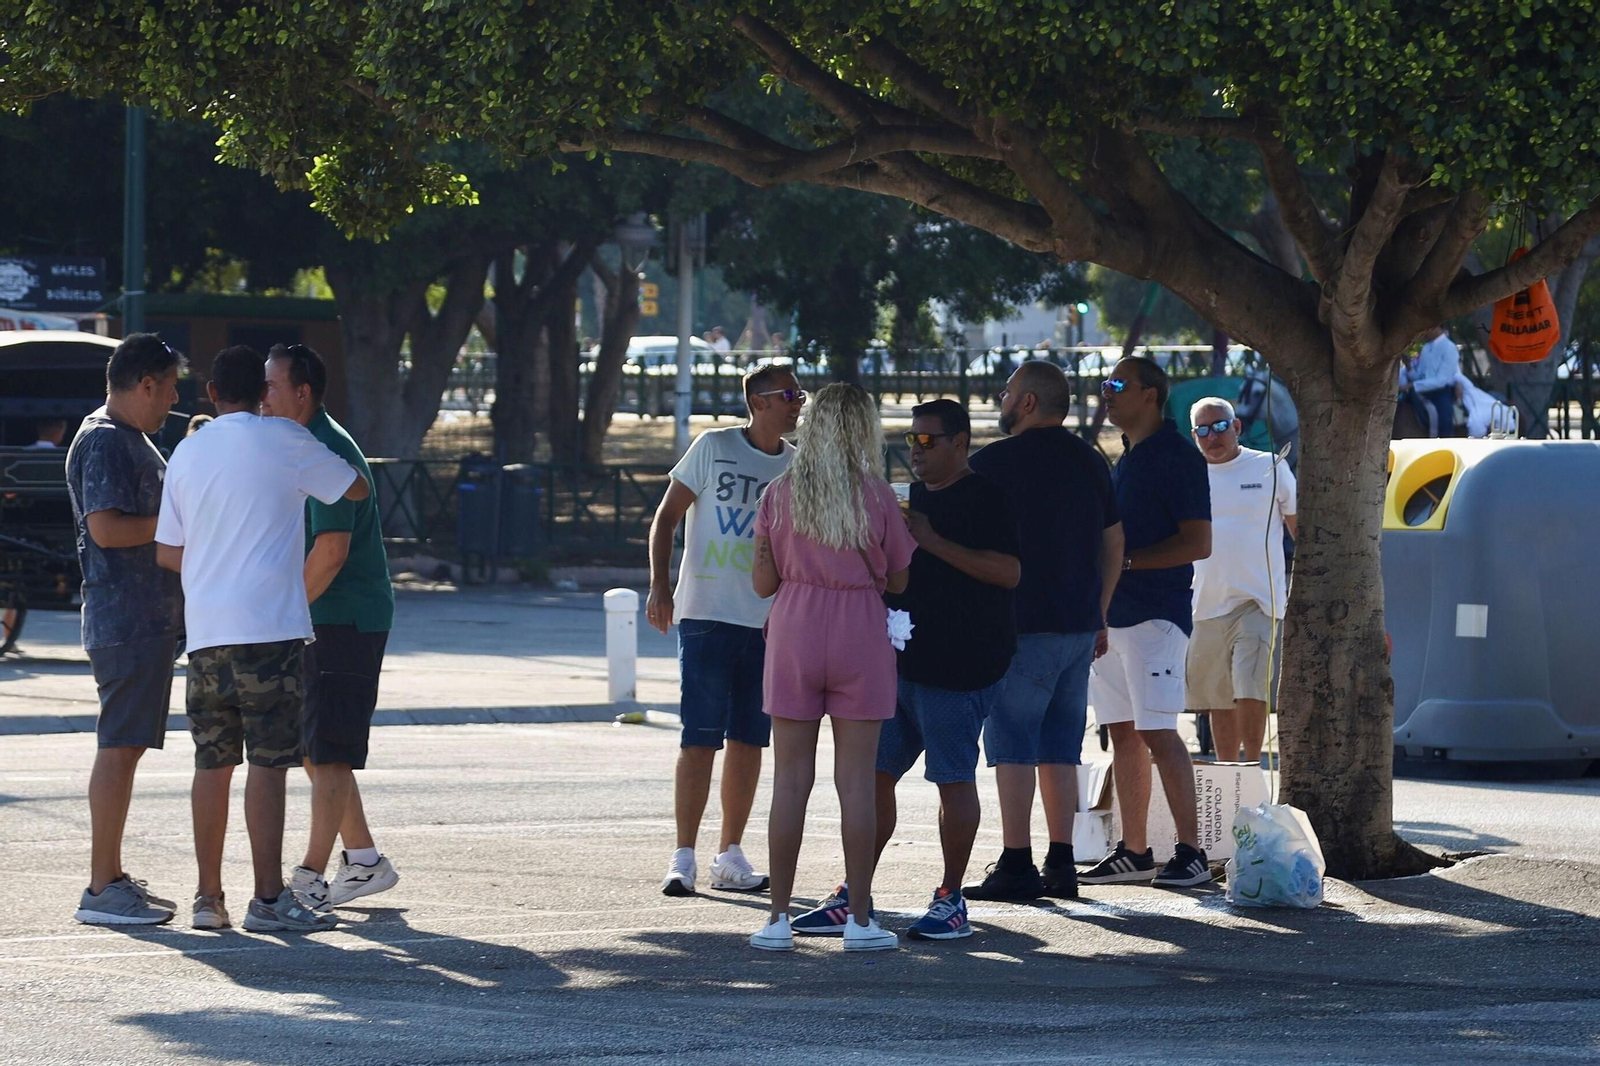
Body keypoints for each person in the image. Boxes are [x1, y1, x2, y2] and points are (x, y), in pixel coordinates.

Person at [155, 345, 370, 933]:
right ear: (262, 392)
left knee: (211, 765)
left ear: (212, 395)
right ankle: (269, 898)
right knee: (269, 766)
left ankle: (206, 898)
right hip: (271, 630)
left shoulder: (187, 451)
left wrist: (214, 554)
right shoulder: (284, 440)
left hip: (206, 632)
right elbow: (354, 489)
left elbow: (167, 551)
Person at [748, 383, 914, 953]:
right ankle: (861, 919)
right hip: (859, 631)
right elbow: (898, 578)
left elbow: (762, 582)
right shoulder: (877, 495)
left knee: (791, 780)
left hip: (794, 626)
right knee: (857, 784)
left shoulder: (779, 492)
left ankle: (776, 918)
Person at [961, 361, 1123, 902]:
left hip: (1020, 624)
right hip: (1078, 624)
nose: (1001, 399)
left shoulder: (991, 464)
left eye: (1007, 391)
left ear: (1028, 402)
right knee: (1060, 747)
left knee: (1012, 746)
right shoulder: (1091, 460)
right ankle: (1061, 861)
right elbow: (1115, 542)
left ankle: (1015, 861)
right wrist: (1099, 610)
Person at [646, 364, 803, 897]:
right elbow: (666, 517)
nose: (797, 402)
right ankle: (683, 856)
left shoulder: (797, 467)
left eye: (800, 394)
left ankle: (729, 853)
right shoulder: (713, 447)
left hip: (768, 623)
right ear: (759, 402)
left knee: (749, 740)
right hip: (707, 614)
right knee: (699, 739)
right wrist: (660, 586)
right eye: (789, 394)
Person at [873, 400, 1020, 939]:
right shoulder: (906, 501)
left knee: (951, 779)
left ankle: (951, 897)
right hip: (901, 664)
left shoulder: (986, 498)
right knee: (873, 776)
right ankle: (855, 893)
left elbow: (1008, 572)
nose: (917, 448)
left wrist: (932, 540)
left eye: (930, 440)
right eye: (912, 439)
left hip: (961, 667)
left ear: (961, 442)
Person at [262, 343, 401, 911]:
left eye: (270, 386)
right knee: (317, 749)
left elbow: (333, 548)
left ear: (302, 392)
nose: (262, 396)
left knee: (329, 750)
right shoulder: (300, 440)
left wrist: (284, 612)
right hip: (324, 613)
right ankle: (364, 861)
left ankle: (311, 876)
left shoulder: (323, 446)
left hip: (345, 615)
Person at [66, 333, 185, 926]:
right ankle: (101, 887)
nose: (172, 401)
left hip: (139, 617)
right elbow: (109, 530)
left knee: (125, 746)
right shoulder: (109, 440)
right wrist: (184, 520)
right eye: (169, 389)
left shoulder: (122, 436)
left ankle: (109, 877)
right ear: (145, 384)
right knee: (119, 747)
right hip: (127, 616)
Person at [1082, 356, 1214, 889]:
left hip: (1157, 617)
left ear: (1151, 394)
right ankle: (1134, 852)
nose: (1106, 393)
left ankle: (1193, 854)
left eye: (1117, 384)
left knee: (1160, 731)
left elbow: (1199, 542)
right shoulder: (1131, 456)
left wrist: (1127, 561)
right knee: (1124, 734)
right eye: (1103, 384)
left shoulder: (1176, 456)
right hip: (1115, 620)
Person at [1187, 398, 1297, 765]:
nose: (1212, 436)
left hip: (1259, 600)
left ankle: (1252, 765)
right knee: (1219, 697)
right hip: (1205, 601)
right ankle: (1229, 771)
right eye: (1203, 430)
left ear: (1236, 427)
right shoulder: (1188, 475)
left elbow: (1300, 529)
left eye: (1219, 426)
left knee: (1249, 686)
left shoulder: (1270, 466)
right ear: (1194, 436)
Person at [1404, 327, 1461, 438]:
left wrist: (1412, 385)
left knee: (1444, 420)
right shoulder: (1426, 348)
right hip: (1420, 391)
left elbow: (1441, 381)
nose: (1423, 332)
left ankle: (1445, 444)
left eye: (1427, 328)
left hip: (1440, 392)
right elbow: (1419, 375)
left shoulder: (1449, 347)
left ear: (1437, 326)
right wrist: (1408, 366)